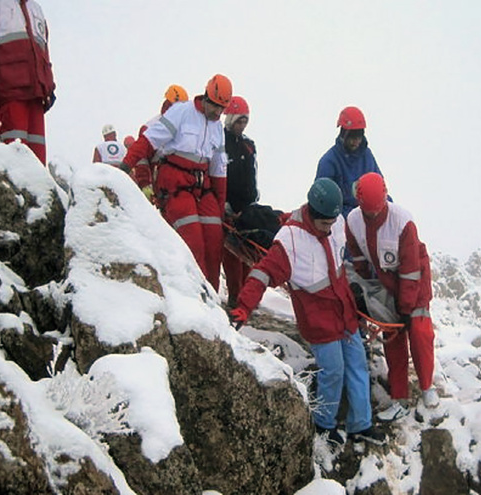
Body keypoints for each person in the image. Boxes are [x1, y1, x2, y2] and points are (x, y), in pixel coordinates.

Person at [229, 178, 386, 447]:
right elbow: (262, 273)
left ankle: (361, 424)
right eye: (324, 223)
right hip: (317, 317)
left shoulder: (336, 223)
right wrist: (243, 307)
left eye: (333, 222)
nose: (330, 228)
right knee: (333, 370)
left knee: (357, 362)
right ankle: (325, 424)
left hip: (344, 310)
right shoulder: (289, 240)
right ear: (312, 213)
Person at [123, 74, 231, 290]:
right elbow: (149, 140)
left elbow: (219, 167)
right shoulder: (182, 112)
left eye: (222, 108)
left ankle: (211, 298)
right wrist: (126, 166)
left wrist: (219, 209)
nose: (218, 113)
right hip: (175, 182)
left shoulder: (217, 127)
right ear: (207, 97)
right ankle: (194, 297)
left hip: (203, 185)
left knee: (213, 241)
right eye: (216, 107)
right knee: (193, 243)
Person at [345, 172, 439, 419]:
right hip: (386, 281)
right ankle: (399, 395)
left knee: (419, 331)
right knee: (393, 333)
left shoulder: (402, 222)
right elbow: (358, 257)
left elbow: (410, 269)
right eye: (369, 211)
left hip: (416, 279)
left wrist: (406, 309)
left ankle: (427, 386)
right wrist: (366, 290)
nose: (374, 215)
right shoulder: (353, 221)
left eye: (378, 210)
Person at [0, 0, 56, 165]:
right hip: (10, 87)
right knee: (15, 146)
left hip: (37, 92)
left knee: (37, 150)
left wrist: (49, 86)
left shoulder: (36, 9)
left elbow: (44, 51)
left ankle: (38, 188)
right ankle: (16, 187)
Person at [315, 106, 386, 218]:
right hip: (341, 219)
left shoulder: (367, 156)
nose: (356, 142)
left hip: (368, 211)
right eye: (352, 137)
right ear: (343, 134)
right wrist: (352, 218)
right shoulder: (328, 162)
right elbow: (322, 201)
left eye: (359, 137)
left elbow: (380, 187)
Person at [222, 96, 259, 308]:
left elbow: (253, 175)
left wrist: (253, 200)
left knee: (248, 255)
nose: (241, 125)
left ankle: (246, 297)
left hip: (247, 208)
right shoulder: (219, 142)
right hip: (228, 208)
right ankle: (235, 297)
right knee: (231, 257)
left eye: (244, 121)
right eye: (238, 121)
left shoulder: (248, 146)